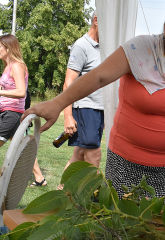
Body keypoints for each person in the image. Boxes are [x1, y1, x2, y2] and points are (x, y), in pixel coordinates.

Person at [22, 0, 165, 198]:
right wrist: (57, 104)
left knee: (163, 226)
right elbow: (97, 77)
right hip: (126, 165)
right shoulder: (140, 49)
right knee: (121, 226)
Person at [61, 10, 103, 182]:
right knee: (94, 156)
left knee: (78, 155)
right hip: (86, 108)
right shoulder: (81, 46)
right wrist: (68, 115)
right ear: (96, 20)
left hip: (99, 109)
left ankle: (62, 192)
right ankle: (91, 198)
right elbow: (68, 83)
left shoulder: (104, 47)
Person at [0, 34, 28, 169]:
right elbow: (5, 87)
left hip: (12, 114)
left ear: (8, 48)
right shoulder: (7, 66)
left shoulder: (17, 66)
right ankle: (38, 178)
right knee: (19, 149)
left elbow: (21, 92)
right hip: (7, 112)